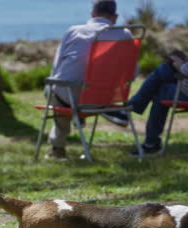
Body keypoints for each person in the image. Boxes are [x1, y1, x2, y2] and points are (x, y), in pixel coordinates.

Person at [109, 0, 188, 156]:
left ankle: (148, 139)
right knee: (165, 70)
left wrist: (180, 64)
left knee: (161, 88)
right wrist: (185, 62)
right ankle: (132, 114)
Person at [44, 0, 133, 160]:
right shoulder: (125, 35)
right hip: (105, 98)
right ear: (115, 17)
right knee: (66, 91)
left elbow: (57, 67)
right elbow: (131, 72)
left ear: (93, 14)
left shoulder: (74, 31)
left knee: (54, 89)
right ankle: (88, 115)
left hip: (71, 97)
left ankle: (58, 147)